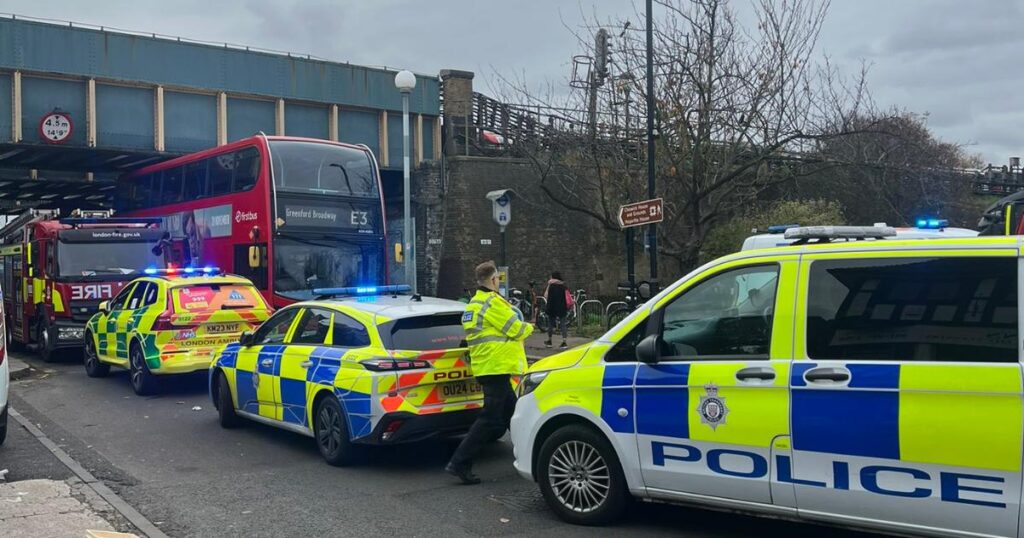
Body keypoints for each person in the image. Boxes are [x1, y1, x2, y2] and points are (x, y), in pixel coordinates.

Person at [445, 261, 533, 485]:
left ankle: (531, 457)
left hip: (487, 367)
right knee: (490, 418)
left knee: (513, 415)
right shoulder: (493, 303)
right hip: (497, 367)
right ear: (494, 280)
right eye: (498, 280)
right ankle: (459, 462)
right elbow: (516, 329)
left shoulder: (473, 304)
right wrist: (531, 324)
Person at [543, 271, 570, 348]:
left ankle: (549, 341)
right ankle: (564, 342)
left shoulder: (551, 285)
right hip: (562, 307)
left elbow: (545, 295)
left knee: (551, 324)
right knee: (563, 324)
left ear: (552, 277)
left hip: (552, 306)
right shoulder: (563, 286)